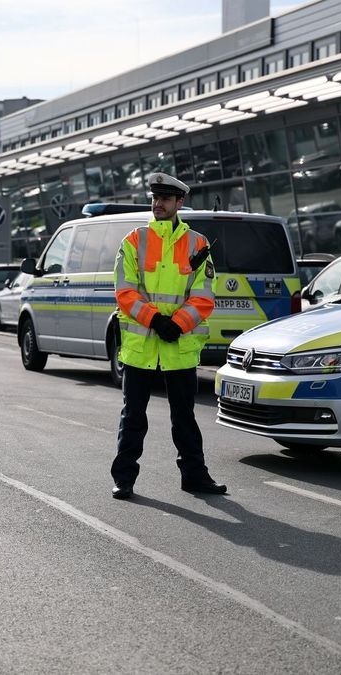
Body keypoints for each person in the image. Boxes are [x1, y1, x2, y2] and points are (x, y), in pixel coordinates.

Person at [110, 172, 226, 500]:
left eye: (164, 198)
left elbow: (204, 296)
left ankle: (194, 476)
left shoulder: (198, 244)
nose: (157, 203)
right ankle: (124, 479)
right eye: (155, 197)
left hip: (179, 346)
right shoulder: (134, 240)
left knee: (184, 418)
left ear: (179, 202)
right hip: (141, 347)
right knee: (133, 416)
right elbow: (125, 291)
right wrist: (157, 320)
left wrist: (177, 324)